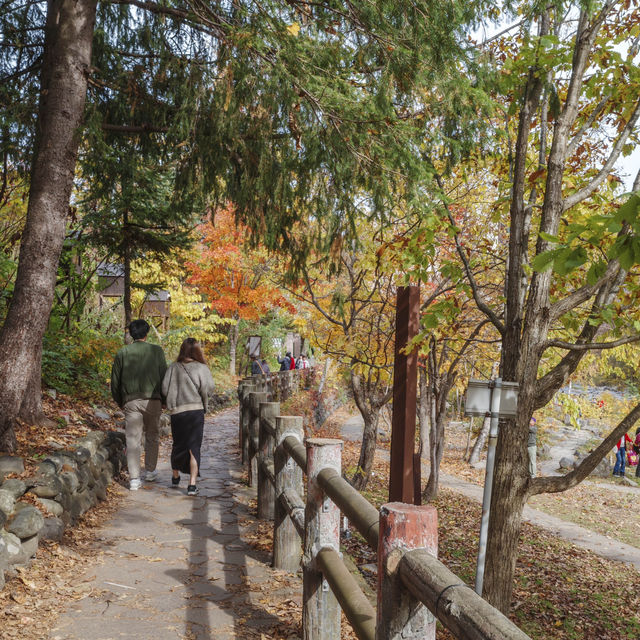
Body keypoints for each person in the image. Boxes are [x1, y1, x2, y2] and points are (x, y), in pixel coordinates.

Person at [111, 319, 167, 491]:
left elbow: (115, 381)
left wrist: (121, 400)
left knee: (132, 440)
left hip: (131, 400)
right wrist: (164, 400)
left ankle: (134, 479)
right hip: (154, 400)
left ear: (131, 333)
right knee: (152, 435)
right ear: (147, 333)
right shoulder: (157, 351)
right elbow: (164, 376)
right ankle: (150, 471)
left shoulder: (123, 352)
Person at [162, 337, 215, 496]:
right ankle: (192, 485)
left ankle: (175, 476)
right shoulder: (202, 368)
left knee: (178, 444)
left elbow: (164, 389)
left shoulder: (173, 367)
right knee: (193, 447)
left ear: (182, 349)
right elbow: (210, 388)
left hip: (177, 412)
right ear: (197, 350)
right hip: (195, 412)